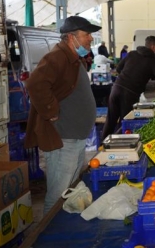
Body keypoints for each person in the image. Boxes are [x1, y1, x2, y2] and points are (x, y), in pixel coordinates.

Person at [23, 16, 100, 214]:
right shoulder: (57, 56)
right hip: (63, 138)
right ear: (71, 37)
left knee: (69, 191)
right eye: (86, 34)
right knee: (57, 195)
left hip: (75, 137)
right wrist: (51, 112)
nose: (91, 38)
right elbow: (35, 84)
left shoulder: (73, 58)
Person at [102, 36, 155, 139]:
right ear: (152, 46)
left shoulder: (132, 53)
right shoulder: (153, 60)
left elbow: (118, 69)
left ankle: (102, 146)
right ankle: (121, 147)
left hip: (116, 88)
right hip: (130, 93)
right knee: (125, 122)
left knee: (111, 119)